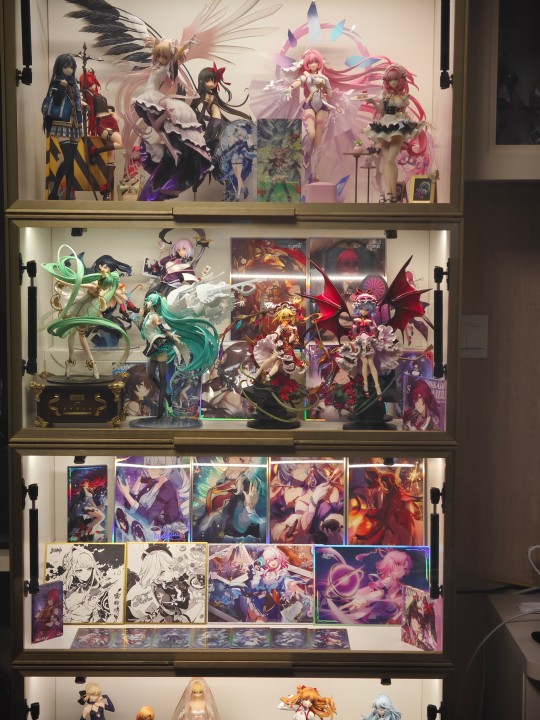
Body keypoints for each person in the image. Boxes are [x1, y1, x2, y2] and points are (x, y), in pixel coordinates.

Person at [116, 38, 212, 201]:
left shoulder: (167, 67)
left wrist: (186, 45)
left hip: (154, 97)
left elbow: (176, 57)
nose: (160, 59)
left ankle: (176, 159)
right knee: (160, 126)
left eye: (164, 57)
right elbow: (157, 127)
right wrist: (154, 44)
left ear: (169, 58)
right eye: (158, 55)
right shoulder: (156, 64)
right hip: (151, 97)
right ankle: (171, 157)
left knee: (164, 127)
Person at [364, 64, 426, 201]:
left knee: (390, 159)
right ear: (386, 81)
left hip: (398, 127)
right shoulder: (383, 96)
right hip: (384, 126)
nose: (393, 82)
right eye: (390, 79)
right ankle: (390, 194)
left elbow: (404, 113)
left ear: (400, 80)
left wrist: (413, 124)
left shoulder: (403, 97)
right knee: (387, 161)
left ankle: (391, 193)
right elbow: (381, 111)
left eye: (396, 79)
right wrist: (372, 102)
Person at [335, 292, 400, 397]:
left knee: (371, 363)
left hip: (369, 342)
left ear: (370, 309)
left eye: (366, 309)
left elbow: (372, 333)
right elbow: (353, 334)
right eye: (361, 308)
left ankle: (377, 386)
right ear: (358, 308)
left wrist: (372, 332)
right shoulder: (356, 321)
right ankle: (366, 386)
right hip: (360, 343)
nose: (364, 311)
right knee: (365, 362)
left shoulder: (371, 321)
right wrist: (355, 330)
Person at [42, 53, 84, 200]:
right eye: (66, 67)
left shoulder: (73, 85)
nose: (69, 70)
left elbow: (73, 102)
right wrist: (61, 88)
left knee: (71, 162)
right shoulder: (57, 82)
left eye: (71, 67)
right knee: (67, 159)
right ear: (60, 67)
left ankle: (68, 196)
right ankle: (54, 192)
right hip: (62, 124)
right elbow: (57, 102)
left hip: (75, 124)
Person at [79, 70, 123, 199]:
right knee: (123, 143)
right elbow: (80, 101)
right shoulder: (88, 96)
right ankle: (95, 151)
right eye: (89, 85)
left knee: (111, 158)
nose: (92, 86)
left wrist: (113, 113)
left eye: (93, 83)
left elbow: (105, 108)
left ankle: (107, 188)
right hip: (102, 124)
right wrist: (81, 101)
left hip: (110, 122)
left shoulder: (99, 95)